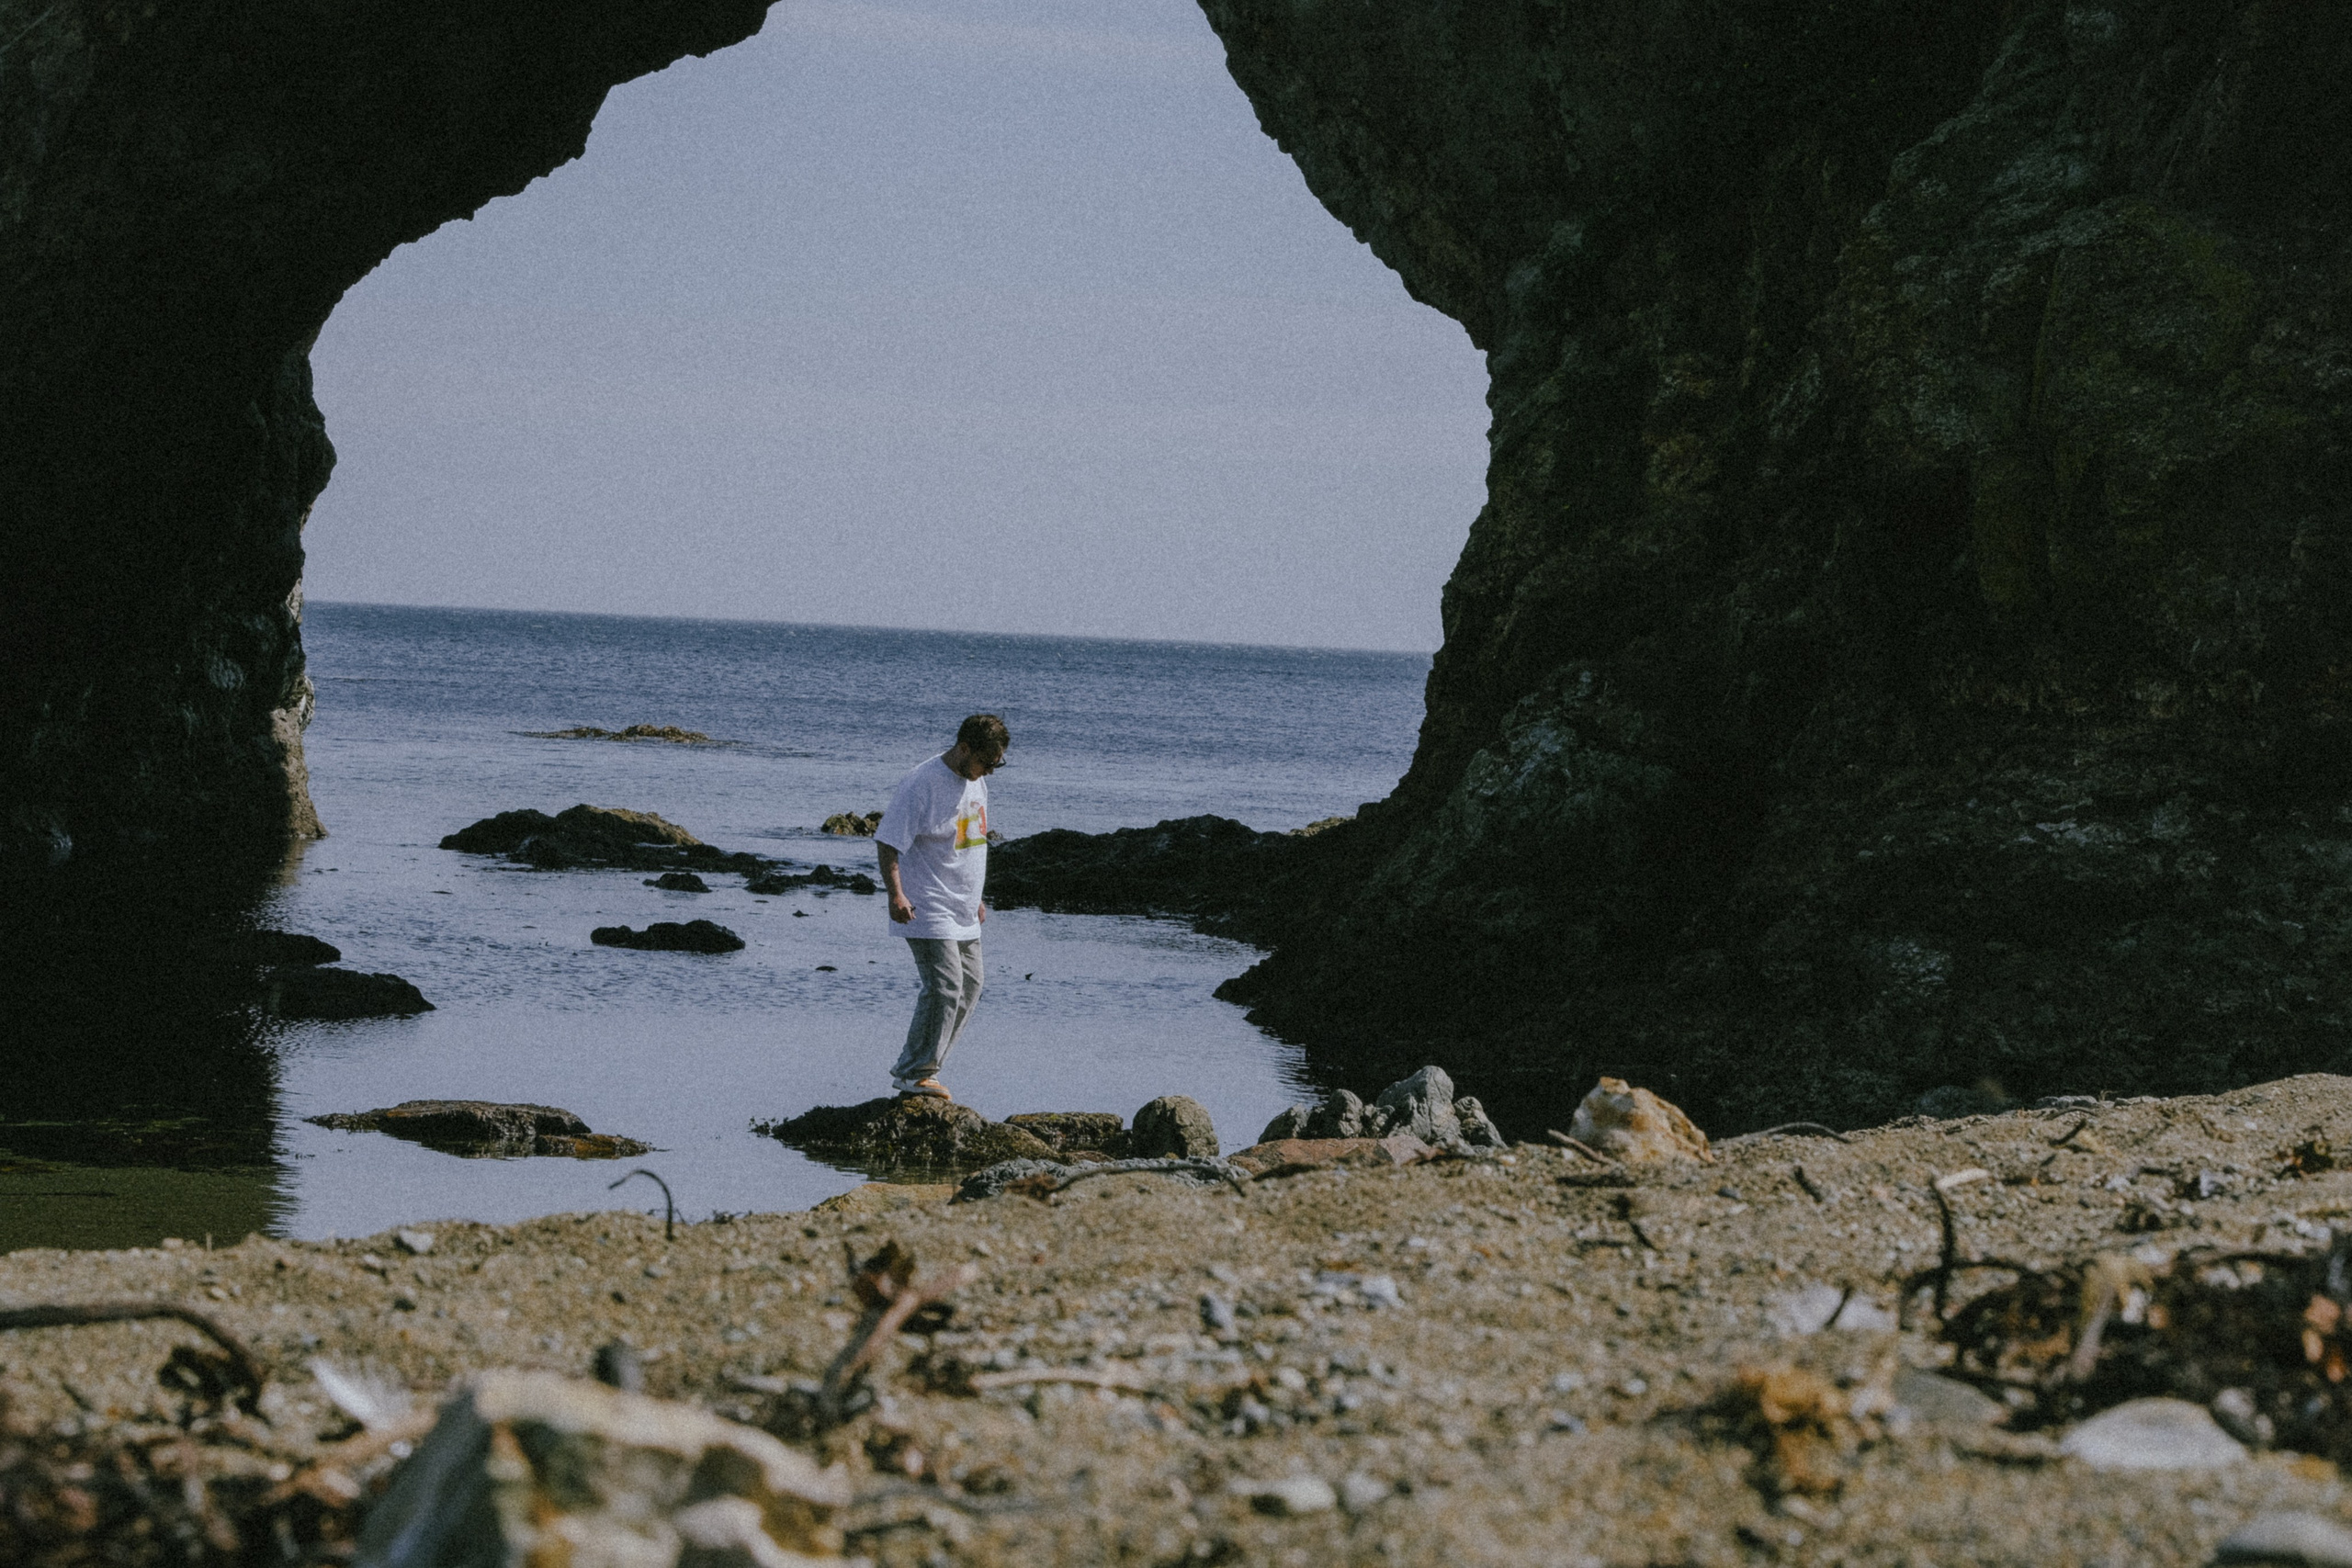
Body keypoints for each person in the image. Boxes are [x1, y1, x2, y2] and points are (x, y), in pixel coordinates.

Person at [873, 714, 1007, 1099]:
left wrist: (976, 896)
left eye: (998, 763)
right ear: (964, 749)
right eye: (987, 761)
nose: (991, 771)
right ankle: (915, 1072)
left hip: (963, 907)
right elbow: (888, 841)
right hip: (925, 904)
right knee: (945, 987)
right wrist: (895, 895)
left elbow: (969, 842)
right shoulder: (922, 783)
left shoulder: (977, 781)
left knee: (972, 986)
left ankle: (922, 1069)